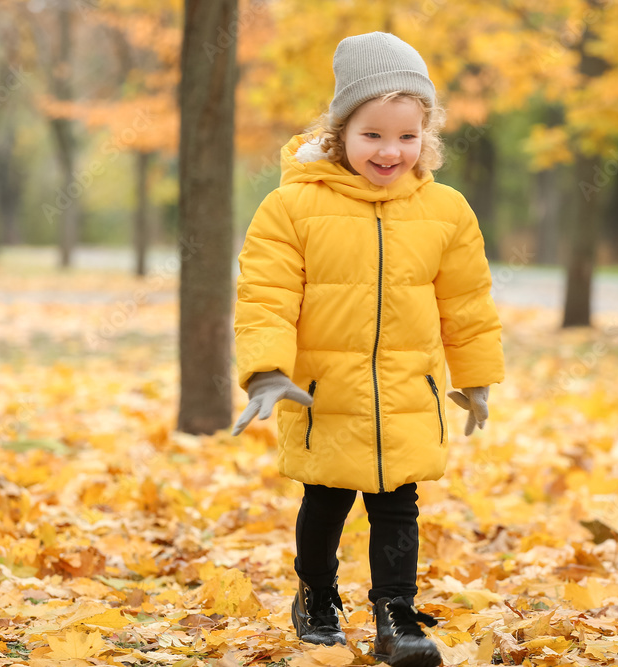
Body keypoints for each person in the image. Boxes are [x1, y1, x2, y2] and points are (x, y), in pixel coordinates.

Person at [232, 31, 504, 667]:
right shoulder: (290, 208)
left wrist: (477, 377)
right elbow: (266, 296)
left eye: (406, 137)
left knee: (398, 509)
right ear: (339, 134)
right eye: (373, 136)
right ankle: (317, 598)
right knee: (324, 502)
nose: (391, 151)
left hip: (409, 392)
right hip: (324, 391)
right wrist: (266, 371)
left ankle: (396, 618)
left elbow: (466, 303)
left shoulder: (447, 211)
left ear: (426, 135)